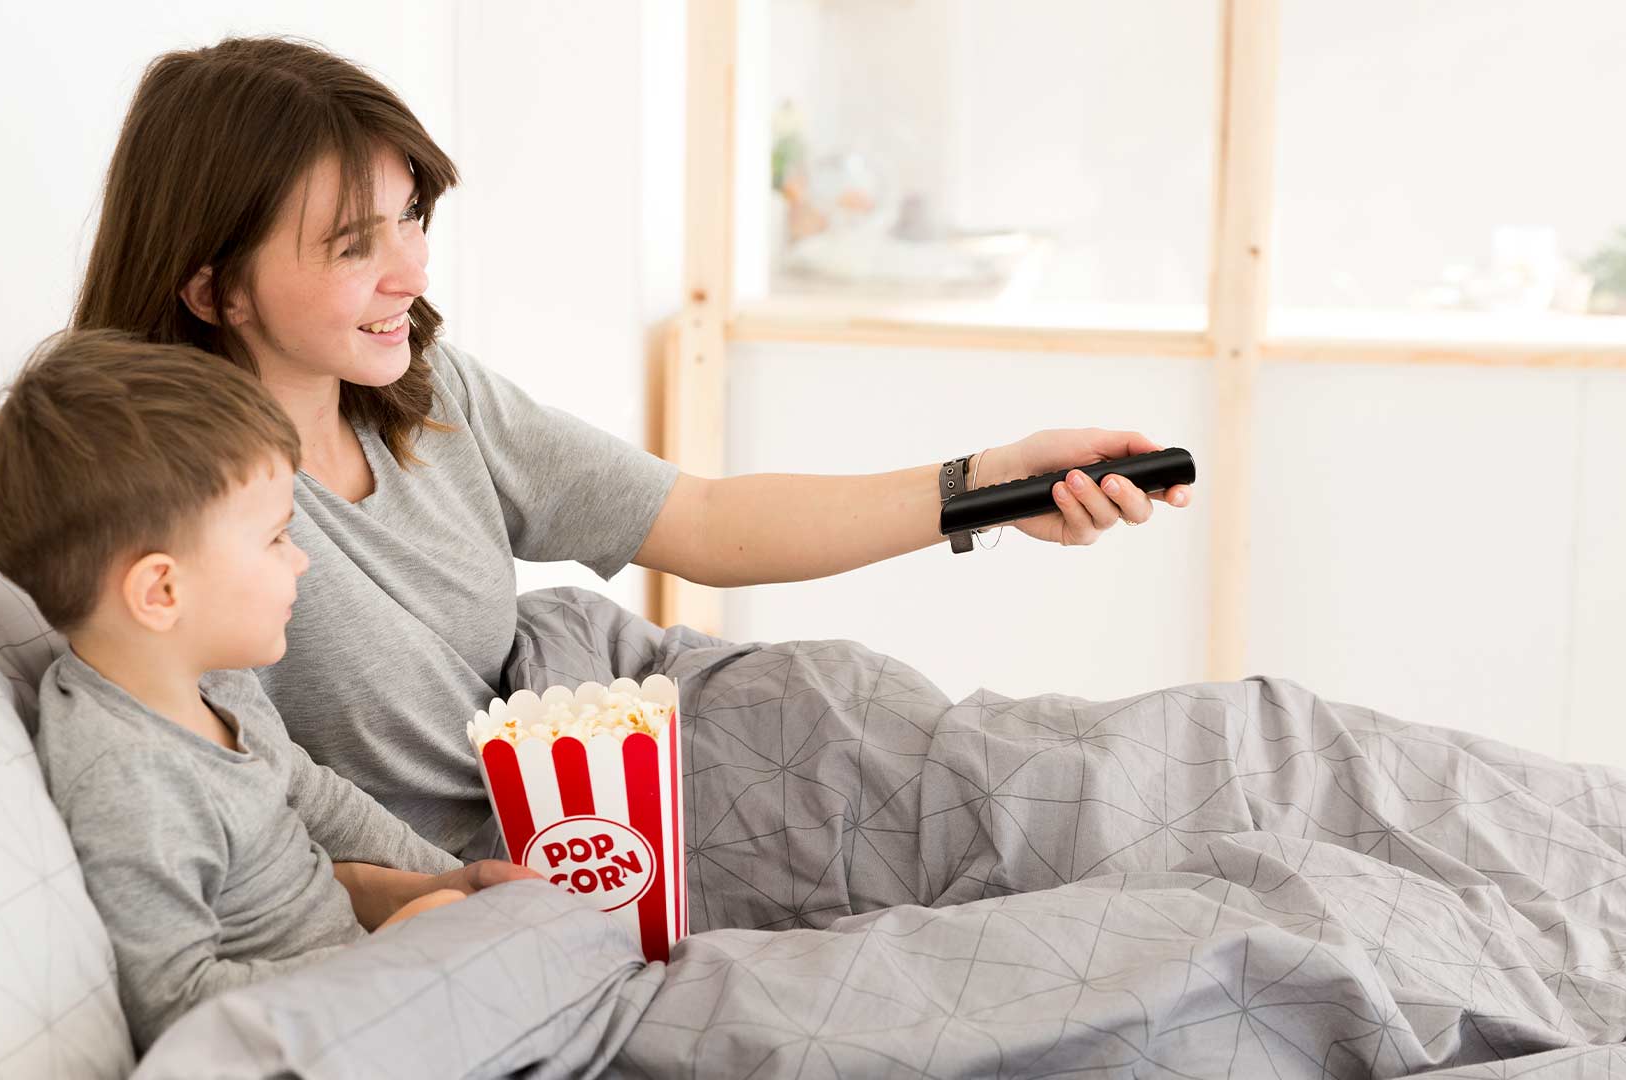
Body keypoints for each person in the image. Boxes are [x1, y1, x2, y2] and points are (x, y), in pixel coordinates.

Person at [70, 36, 1193, 925]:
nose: (412, 269)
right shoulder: (173, 524)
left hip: (641, 734)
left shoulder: (431, 393)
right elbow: (258, 803)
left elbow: (701, 518)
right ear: (215, 289)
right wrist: (439, 904)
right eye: (356, 244)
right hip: (542, 862)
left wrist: (987, 481)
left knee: (1060, 776)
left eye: (411, 215)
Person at [0, 331, 539, 1050]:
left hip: (365, 979)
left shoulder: (217, 681)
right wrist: (384, 958)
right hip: (312, 1035)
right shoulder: (127, 777)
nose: (299, 561)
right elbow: (175, 1002)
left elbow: (316, 798)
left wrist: (443, 885)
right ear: (161, 591)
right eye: (274, 539)